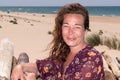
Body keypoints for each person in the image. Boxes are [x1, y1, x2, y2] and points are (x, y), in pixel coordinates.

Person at [11, 3, 105, 80]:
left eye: (77, 27)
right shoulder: (65, 53)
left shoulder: (92, 60)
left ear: (85, 31)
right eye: (66, 26)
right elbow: (41, 66)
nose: (70, 32)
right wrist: (19, 67)